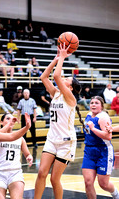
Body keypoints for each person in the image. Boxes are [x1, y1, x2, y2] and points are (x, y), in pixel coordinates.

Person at [34, 43, 82, 199]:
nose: (63, 77)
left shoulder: (70, 98)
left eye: (67, 78)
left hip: (66, 142)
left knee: (55, 179)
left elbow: (55, 76)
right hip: (52, 139)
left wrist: (62, 56)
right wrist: (55, 60)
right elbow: (44, 77)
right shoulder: (55, 93)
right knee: (41, 173)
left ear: (71, 87)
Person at [0, 110, 31, 199]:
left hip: (14, 173)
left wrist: (27, 127)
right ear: (1, 122)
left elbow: (12, 136)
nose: (11, 120)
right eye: (7, 118)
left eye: (11, 119)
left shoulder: (19, 138)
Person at [82, 96, 119, 199]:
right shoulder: (89, 115)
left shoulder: (103, 117)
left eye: (96, 103)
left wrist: (93, 129)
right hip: (89, 151)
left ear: (102, 106)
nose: (93, 104)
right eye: (92, 102)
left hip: (103, 152)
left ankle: (116, 195)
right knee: (88, 182)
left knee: (103, 184)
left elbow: (108, 136)